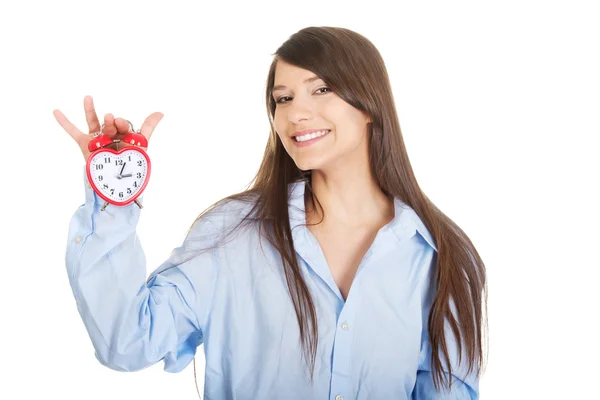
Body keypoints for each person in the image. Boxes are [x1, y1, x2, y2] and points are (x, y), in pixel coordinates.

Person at [55, 26, 487, 400]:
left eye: (321, 89)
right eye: (282, 98)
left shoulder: (439, 256)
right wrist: (114, 191)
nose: (296, 113)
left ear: (370, 102)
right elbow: (127, 343)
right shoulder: (231, 234)